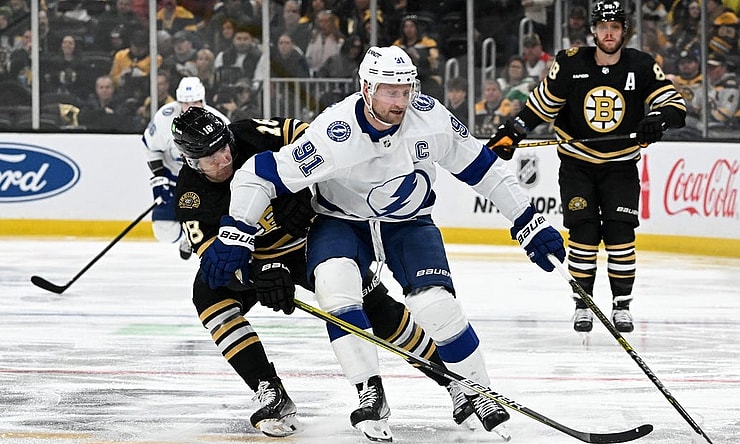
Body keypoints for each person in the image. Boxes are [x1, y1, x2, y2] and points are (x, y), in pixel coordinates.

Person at [198, 45, 566, 441]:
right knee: (335, 286)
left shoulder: (431, 120)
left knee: (435, 306)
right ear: (366, 88)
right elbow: (260, 173)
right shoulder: (335, 132)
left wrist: (528, 219)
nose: (401, 101)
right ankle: (369, 391)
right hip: (342, 223)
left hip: (407, 223)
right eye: (390, 91)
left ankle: (477, 390)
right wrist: (237, 232)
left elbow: (484, 169)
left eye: (406, 90)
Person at [169, 107, 476, 436]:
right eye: (209, 156)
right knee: (208, 296)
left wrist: (307, 187)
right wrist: (258, 277)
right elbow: (217, 265)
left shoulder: (253, 134)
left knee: (378, 310)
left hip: (314, 238)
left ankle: (453, 381)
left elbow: (311, 138)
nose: (223, 158)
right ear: (190, 161)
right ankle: (270, 389)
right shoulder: (190, 198)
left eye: (223, 146)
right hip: (260, 261)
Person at [488, 0, 686, 333]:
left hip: (621, 165)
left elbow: (675, 106)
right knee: (583, 233)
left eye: (615, 27)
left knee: (621, 232)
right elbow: (541, 105)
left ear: (624, 31)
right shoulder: (569, 63)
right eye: (603, 27)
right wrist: (515, 129)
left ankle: (621, 305)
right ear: (593, 30)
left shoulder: (641, 65)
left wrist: (658, 119)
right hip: (577, 165)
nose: (609, 33)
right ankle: (583, 303)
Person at [142, 77, 230, 260]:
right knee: (164, 231)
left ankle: (190, 237)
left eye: (196, 102)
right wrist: (159, 178)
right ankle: (184, 236)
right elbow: (151, 149)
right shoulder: (165, 118)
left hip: (203, 180)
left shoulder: (219, 122)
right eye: (185, 103)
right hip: (172, 176)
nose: (191, 107)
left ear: (203, 100)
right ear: (178, 102)